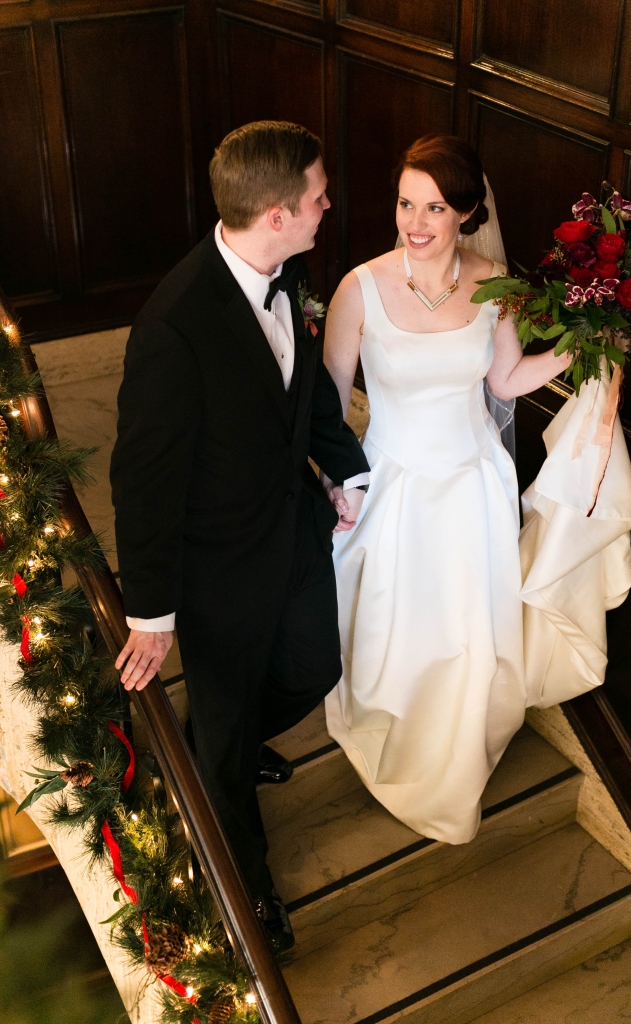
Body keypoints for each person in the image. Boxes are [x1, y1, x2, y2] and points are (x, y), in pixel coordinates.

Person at [110, 121, 370, 950]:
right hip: (216, 564)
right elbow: (142, 478)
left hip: (290, 527)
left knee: (315, 666)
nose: (328, 205)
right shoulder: (173, 326)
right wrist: (151, 610)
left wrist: (344, 468)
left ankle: (207, 748)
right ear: (276, 214)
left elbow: (302, 392)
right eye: (318, 197)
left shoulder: (285, 271)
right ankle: (250, 897)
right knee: (225, 748)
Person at [323, 135, 571, 845]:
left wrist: (586, 344)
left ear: (466, 212)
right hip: (393, 483)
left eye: (434, 206)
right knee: (393, 628)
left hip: (471, 482)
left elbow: (504, 382)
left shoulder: (495, 282)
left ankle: (457, 753)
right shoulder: (359, 287)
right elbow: (330, 403)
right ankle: (394, 730)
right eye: (406, 203)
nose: (415, 221)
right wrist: (337, 482)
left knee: (466, 636)